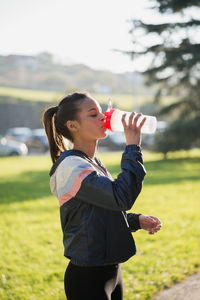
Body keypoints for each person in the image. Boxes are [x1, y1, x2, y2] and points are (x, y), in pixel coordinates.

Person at [42, 92, 162, 300]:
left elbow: (103, 209)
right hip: (88, 277)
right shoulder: (71, 167)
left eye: (101, 111)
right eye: (93, 114)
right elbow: (120, 197)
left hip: (111, 271)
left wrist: (135, 220)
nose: (103, 117)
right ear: (73, 125)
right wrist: (133, 146)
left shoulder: (90, 162)